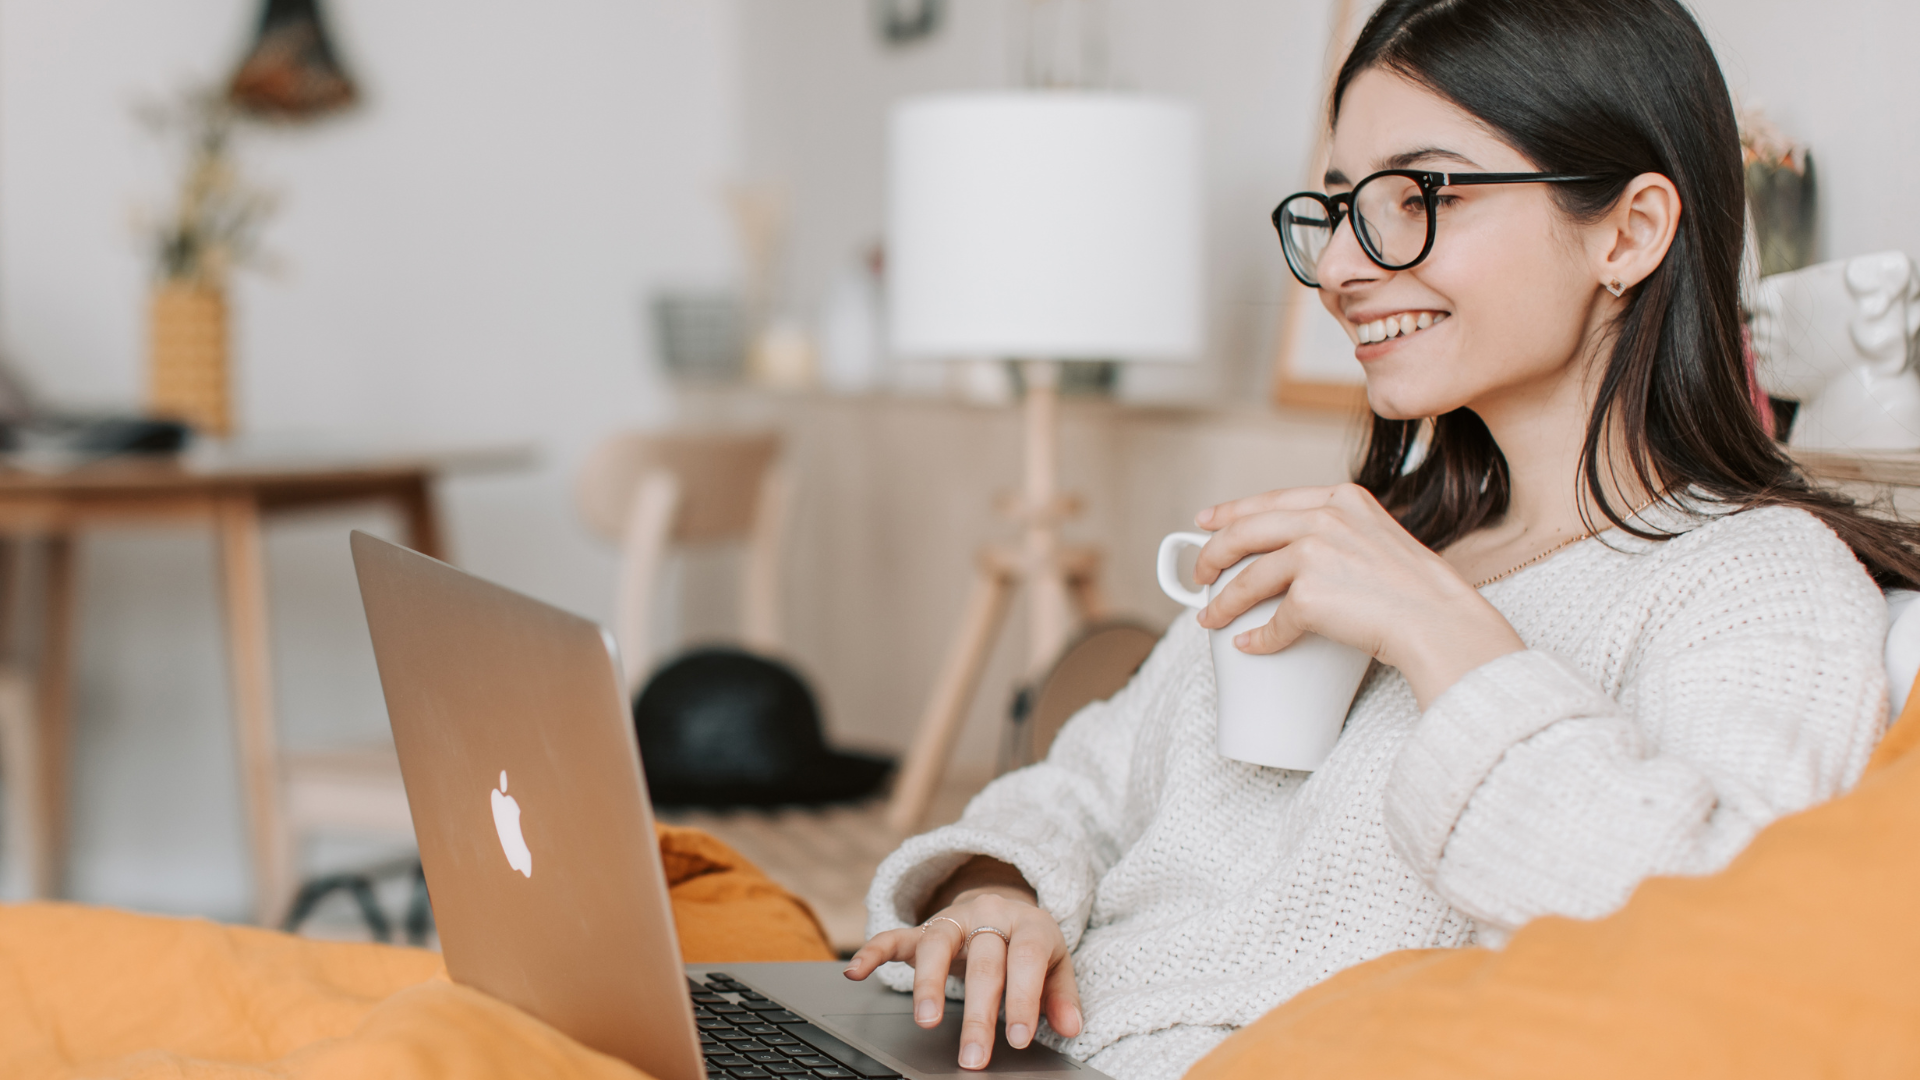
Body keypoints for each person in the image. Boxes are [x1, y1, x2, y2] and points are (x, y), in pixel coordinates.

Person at [843, 1, 1919, 1077]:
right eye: (1342, 207)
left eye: (1419, 196)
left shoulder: (1752, 582)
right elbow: (1082, 783)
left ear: (1629, 233)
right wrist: (998, 895)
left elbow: (1720, 945)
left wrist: (1444, 638)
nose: (1346, 268)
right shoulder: (1371, 535)